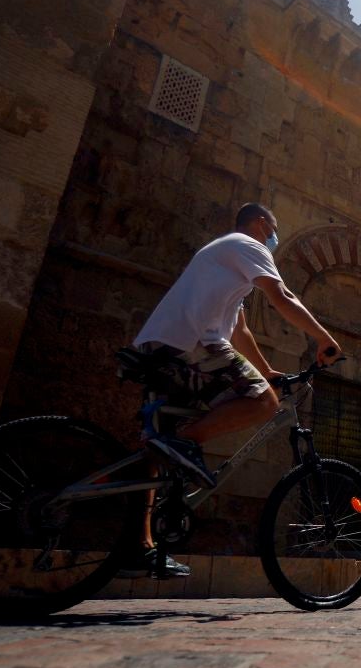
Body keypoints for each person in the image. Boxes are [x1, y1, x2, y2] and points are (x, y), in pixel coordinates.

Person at [121, 202, 342, 578]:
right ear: (259, 224)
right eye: (272, 230)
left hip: (158, 347)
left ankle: (137, 546)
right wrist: (324, 339)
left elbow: (240, 332)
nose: (273, 239)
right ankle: (183, 442)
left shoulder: (222, 263)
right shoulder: (246, 243)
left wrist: (267, 369)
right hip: (192, 345)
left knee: (155, 448)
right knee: (263, 403)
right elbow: (282, 296)